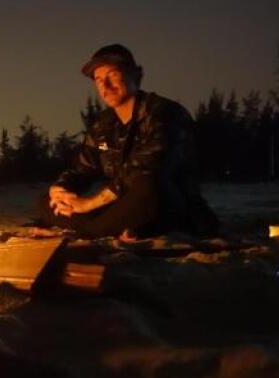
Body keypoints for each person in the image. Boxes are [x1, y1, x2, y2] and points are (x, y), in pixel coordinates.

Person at [36, 44, 219, 239]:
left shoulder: (164, 113)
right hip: (122, 206)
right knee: (46, 202)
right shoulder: (103, 125)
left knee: (146, 186)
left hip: (167, 203)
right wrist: (62, 189)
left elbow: (147, 168)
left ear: (136, 76)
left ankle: (92, 231)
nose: (105, 86)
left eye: (113, 75)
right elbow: (83, 169)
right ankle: (110, 227)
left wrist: (90, 203)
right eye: (98, 80)